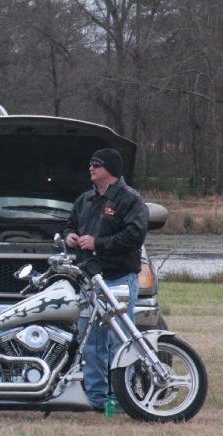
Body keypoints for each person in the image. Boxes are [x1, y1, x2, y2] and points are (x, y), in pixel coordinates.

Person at [63, 148, 149, 412]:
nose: (90, 168)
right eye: (90, 164)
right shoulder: (85, 200)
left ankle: (123, 397)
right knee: (92, 342)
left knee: (119, 341)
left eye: (96, 165)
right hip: (88, 282)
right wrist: (70, 237)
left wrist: (98, 244)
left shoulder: (130, 200)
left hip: (118, 279)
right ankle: (97, 398)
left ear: (110, 170)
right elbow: (69, 225)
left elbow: (135, 236)